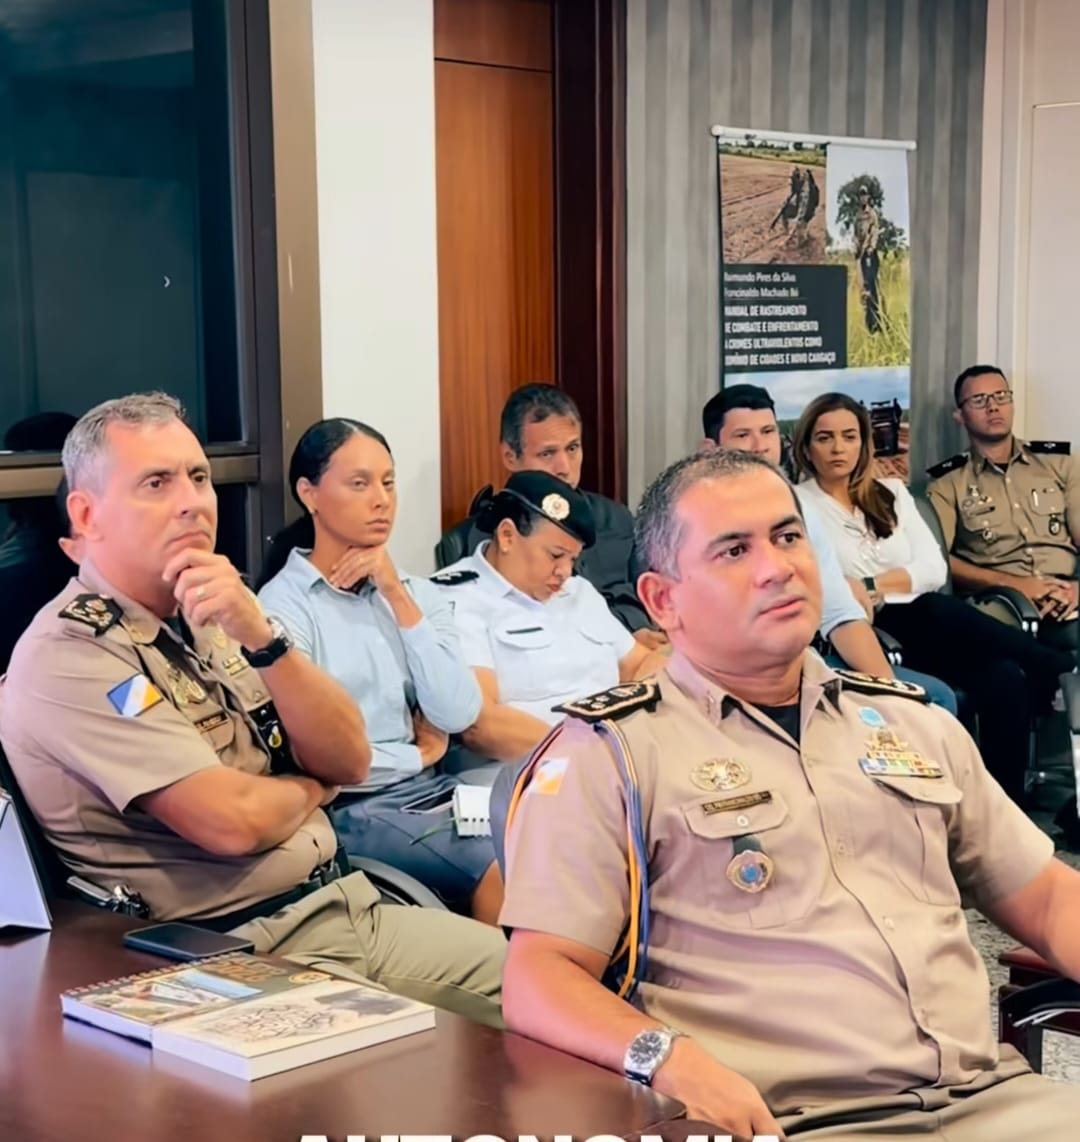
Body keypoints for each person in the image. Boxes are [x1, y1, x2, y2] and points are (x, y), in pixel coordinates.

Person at [499, 447, 1080, 1139]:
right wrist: (668, 1061)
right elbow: (539, 976)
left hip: (990, 1101)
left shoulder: (912, 723)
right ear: (664, 600)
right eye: (734, 551)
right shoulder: (612, 754)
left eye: (787, 536)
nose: (777, 567)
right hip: (798, 1122)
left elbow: (1044, 893)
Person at [0, 394, 505, 1024]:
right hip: (234, 956)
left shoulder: (212, 614)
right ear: (88, 514)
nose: (192, 500)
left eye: (199, 477)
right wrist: (312, 788)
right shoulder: (70, 653)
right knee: (528, 1035)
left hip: (341, 909)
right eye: (157, 483)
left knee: (548, 987)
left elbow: (349, 758)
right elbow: (230, 821)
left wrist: (266, 640)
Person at [256, 419, 502, 923]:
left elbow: (456, 711)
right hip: (357, 810)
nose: (381, 500)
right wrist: (414, 756)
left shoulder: (414, 589)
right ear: (310, 494)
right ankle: (515, 997)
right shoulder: (282, 609)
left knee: (561, 815)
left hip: (436, 790)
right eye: (360, 483)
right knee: (502, 863)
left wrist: (395, 592)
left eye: (388, 483)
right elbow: (321, 760)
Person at [792, 392, 1073, 804]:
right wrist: (891, 585)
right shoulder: (800, 504)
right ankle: (1060, 668)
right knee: (933, 606)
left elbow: (933, 570)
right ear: (806, 447)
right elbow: (834, 583)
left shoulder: (891, 493)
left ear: (863, 443)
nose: (838, 448)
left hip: (932, 629)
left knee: (1005, 679)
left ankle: (1002, 813)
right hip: (871, 635)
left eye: (849, 437)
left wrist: (871, 586)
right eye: (825, 438)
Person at [702, 383, 957, 714]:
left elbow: (841, 612)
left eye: (767, 431)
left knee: (929, 699)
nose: (759, 446)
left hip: (813, 657)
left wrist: (890, 692)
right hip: (738, 664)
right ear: (711, 448)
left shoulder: (800, 511)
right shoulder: (697, 513)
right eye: (742, 435)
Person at [432, 471, 666, 764]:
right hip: (524, 777)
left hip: (614, 765)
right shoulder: (455, 600)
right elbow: (481, 724)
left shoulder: (578, 591)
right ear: (507, 536)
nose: (565, 572)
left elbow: (643, 663)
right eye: (556, 556)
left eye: (573, 559)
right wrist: (589, 753)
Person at [438, 384, 663, 648]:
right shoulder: (477, 540)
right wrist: (623, 638)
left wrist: (640, 633)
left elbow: (647, 597)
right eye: (547, 454)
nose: (564, 468)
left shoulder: (616, 519)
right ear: (510, 457)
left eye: (572, 449)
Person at [928, 364, 1080, 657]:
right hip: (1000, 602)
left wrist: (1077, 588)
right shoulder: (947, 483)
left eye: (1001, 396)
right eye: (980, 401)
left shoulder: (1059, 464)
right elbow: (939, 561)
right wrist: (1017, 585)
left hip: (1068, 594)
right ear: (960, 416)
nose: (993, 407)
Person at [854, 183, 882, 333]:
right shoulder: (858, 216)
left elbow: (875, 231)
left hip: (871, 254)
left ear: (868, 197)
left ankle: (878, 323)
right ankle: (869, 325)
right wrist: (856, 247)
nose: (863, 198)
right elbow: (855, 234)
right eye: (860, 195)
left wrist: (871, 246)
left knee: (873, 288)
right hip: (862, 255)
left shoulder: (872, 214)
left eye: (865, 195)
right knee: (864, 287)